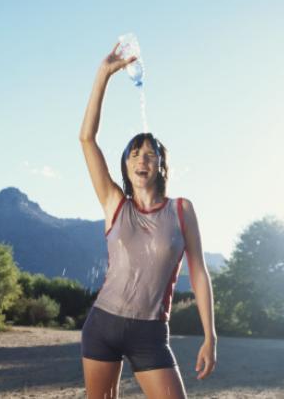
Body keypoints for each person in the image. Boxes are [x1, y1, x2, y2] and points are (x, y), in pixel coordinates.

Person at [78, 41, 217, 399]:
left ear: (161, 165)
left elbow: (198, 271)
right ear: (125, 165)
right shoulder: (114, 203)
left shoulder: (182, 210)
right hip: (103, 325)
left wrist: (210, 335)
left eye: (150, 154)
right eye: (135, 155)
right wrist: (103, 74)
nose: (142, 160)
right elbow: (86, 138)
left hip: (150, 333)